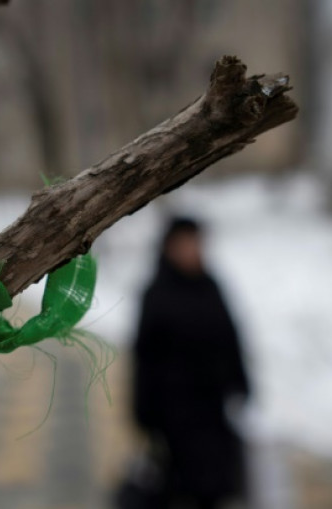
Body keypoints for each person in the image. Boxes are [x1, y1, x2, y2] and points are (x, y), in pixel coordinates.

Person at [131, 216, 251, 509]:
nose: (192, 251)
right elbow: (144, 357)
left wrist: (241, 381)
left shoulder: (211, 287)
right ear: (168, 248)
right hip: (174, 416)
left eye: (196, 243)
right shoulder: (156, 294)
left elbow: (231, 337)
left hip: (212, 409)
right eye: (184, 244)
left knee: (216, 488)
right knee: (176, 490)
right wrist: (143, 412)